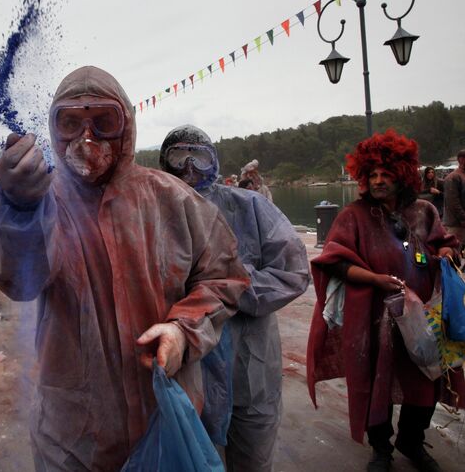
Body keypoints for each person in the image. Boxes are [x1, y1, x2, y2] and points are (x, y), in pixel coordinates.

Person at [0, 65, 248, 471]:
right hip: (73, 431)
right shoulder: (44, 204)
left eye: (104, 121)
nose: (87, 139)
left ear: (128, 125)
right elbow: (18, 280)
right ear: (53, 131)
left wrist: (183, 330)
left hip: (165, 415)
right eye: (70, 123)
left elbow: (223, 277)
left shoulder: (174, 201)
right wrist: (17, 209)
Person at [307, 130, 464, 472]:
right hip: (373, 319)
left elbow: (443, 242)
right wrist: (375, 279)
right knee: (374, 381)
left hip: (421, 318)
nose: (378, 181)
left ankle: (412, 441)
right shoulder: (354, 216)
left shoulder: (423, 211)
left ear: (402, 175)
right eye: (372, 175)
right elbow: (334, 260)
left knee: (423, 383)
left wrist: (448, 251)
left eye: (386, 175)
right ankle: (381, 449)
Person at [160, 125, 310, 471]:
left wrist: (231, 285)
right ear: (164, 163)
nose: (189, 167)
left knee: (252, 460)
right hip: (183, 371)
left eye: (198, 156)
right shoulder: (152, 213)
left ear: (214, 160)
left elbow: (293, 272)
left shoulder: (250, 207)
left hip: (251, 370)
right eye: (178, 156)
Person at [443, 150, 465, 252]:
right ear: (461, 160)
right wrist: (463, 218)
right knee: (454, 255)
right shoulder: (453, 177)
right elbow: (453, 202)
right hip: (456, 224)